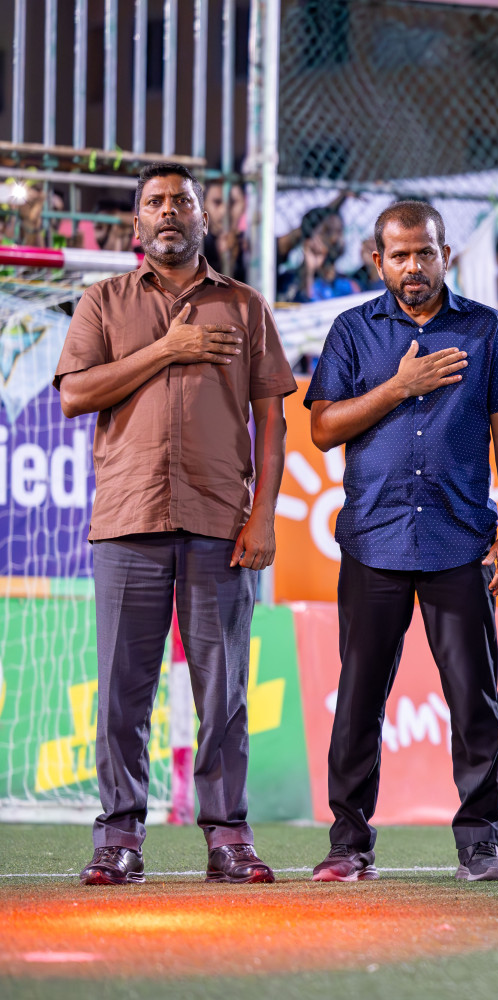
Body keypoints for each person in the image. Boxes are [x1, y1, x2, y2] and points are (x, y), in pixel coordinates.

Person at [54, 161, 296, 886]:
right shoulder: (102, 302)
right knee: (124, 690)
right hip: (127, 520)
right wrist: (167, 350)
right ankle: (119, 838)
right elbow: (74, 396)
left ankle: (228, 837)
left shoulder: (246, 306)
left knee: (223, 691)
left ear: (204, 219)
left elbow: (273, 419)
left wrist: (263, 518)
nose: (169, 212)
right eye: (155, 202)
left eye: (182, 202)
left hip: (221, 523)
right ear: (136, 223)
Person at [305, 200, 498, 884]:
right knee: (358, 701)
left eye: (427, 252)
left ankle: (479, 843)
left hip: (460, 544)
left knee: (474, 699)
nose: (415, 266)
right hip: (373, 544)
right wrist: (398, 386)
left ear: (447, 255)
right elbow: (323, 429)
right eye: (401, 254)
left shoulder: (486, 329)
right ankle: (348, 842)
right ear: (378, 260)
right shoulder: (353, 332)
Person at [279, 207, 359, 303]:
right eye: (327, 232)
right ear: (308, 240)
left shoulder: (348, 284)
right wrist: (309, 273)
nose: (334, 239)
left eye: (339, 231)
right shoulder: (288, 282)